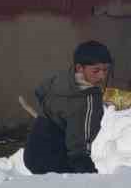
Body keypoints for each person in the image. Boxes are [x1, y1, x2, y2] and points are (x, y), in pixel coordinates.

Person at [23, 40, 112, 175]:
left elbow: (40, 91)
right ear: (79, 68)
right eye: (96, 70)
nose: (102, 75)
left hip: (33, 150)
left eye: (105, 69)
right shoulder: (89, 99)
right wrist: (88, 173)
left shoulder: (61, 79)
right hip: (56, 157)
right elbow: (80, 140)